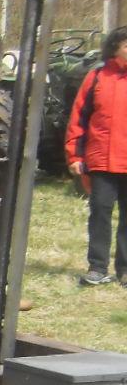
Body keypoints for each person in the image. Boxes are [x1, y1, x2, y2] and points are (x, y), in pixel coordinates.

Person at [66, 25, 127, 287]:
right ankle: (97, 268)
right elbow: (78, 118)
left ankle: (125, 270)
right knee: (100, 213)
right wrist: (74, 156)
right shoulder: (97, 77)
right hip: (101, 160)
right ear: (115, 48)